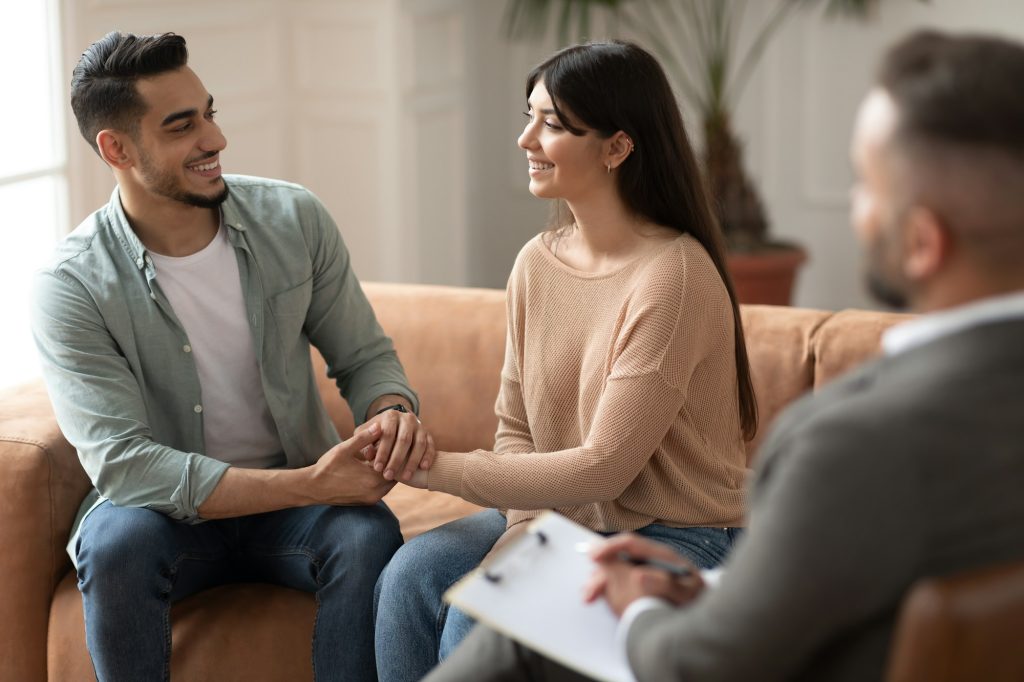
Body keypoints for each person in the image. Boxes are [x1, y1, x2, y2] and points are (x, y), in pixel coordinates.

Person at [425, 29, 1024, 682]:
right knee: (433, 587)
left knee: (506, 639)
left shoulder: (848, 446)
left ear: (921, 242)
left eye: (865, 184)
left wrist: (641, 607)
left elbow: (705, 662)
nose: (853, 207)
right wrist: (711, 588)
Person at [31, 31, 435, 682]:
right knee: (116, 546)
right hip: (163, 515)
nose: (214, 140)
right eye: (182, 126)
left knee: (366, 540)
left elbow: (364, 358)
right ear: (117, 148)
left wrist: (390, 412)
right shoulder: (72, 285)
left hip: (297, 506)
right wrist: (313, 482)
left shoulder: (294, 219)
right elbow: (126, 468)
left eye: (210, 114)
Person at [373, 41, 758, 681]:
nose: (526, 138)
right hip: (565, 516)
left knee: (486, 618)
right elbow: (517, 427)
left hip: (680, 534)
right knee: (409, 576)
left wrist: (435, 471)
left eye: (553, 123)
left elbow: (605, 467)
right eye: (530, 115)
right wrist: (525, 526)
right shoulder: (537, 261)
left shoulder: (674, 279)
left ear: (617, 147)